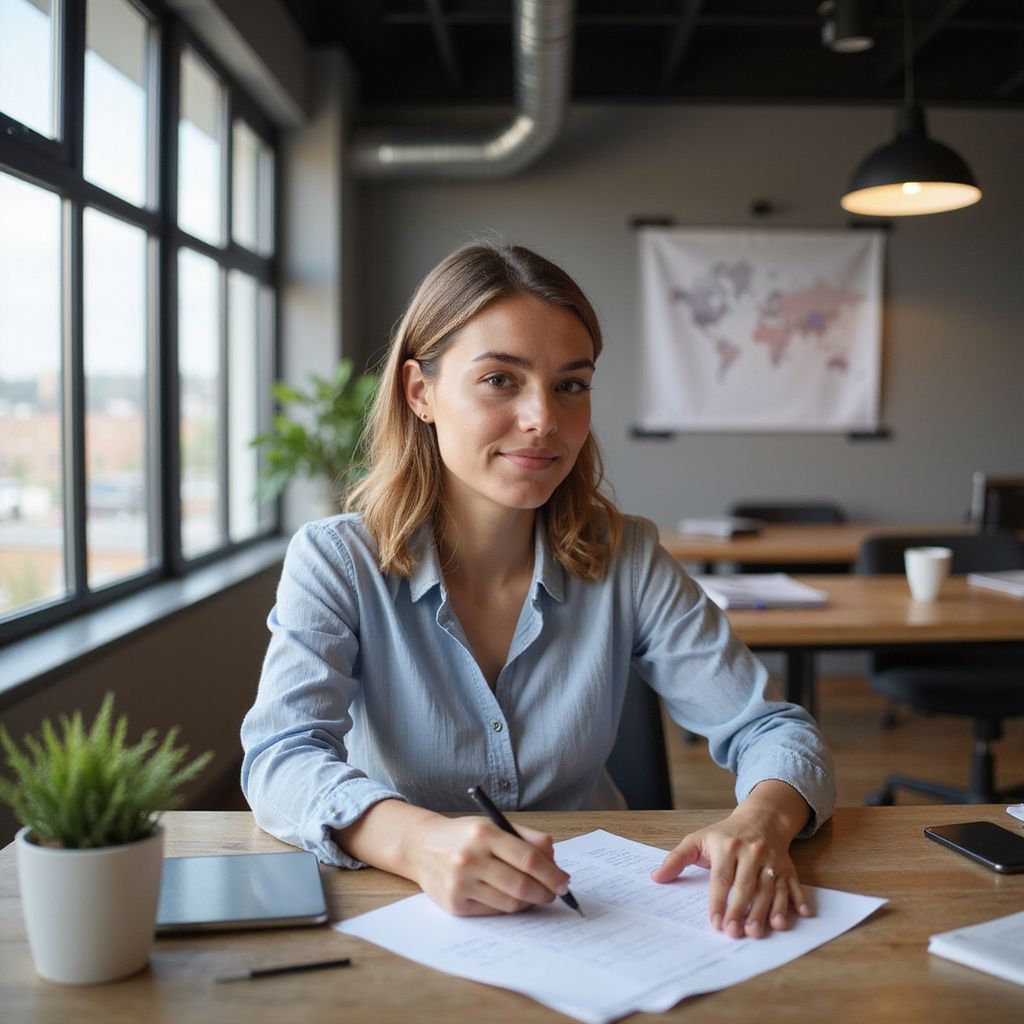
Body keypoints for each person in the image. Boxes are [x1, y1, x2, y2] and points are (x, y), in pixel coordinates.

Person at [241, 241, 835, 940]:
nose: (543, 419)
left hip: (605, 914)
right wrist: (419, 843)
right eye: (499, 379)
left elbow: (772, 729)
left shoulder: (629, 558)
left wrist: (759, 822)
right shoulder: (337, 560)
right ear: (419, 392)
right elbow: (281, 758)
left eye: (571, 385)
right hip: (406, 909)